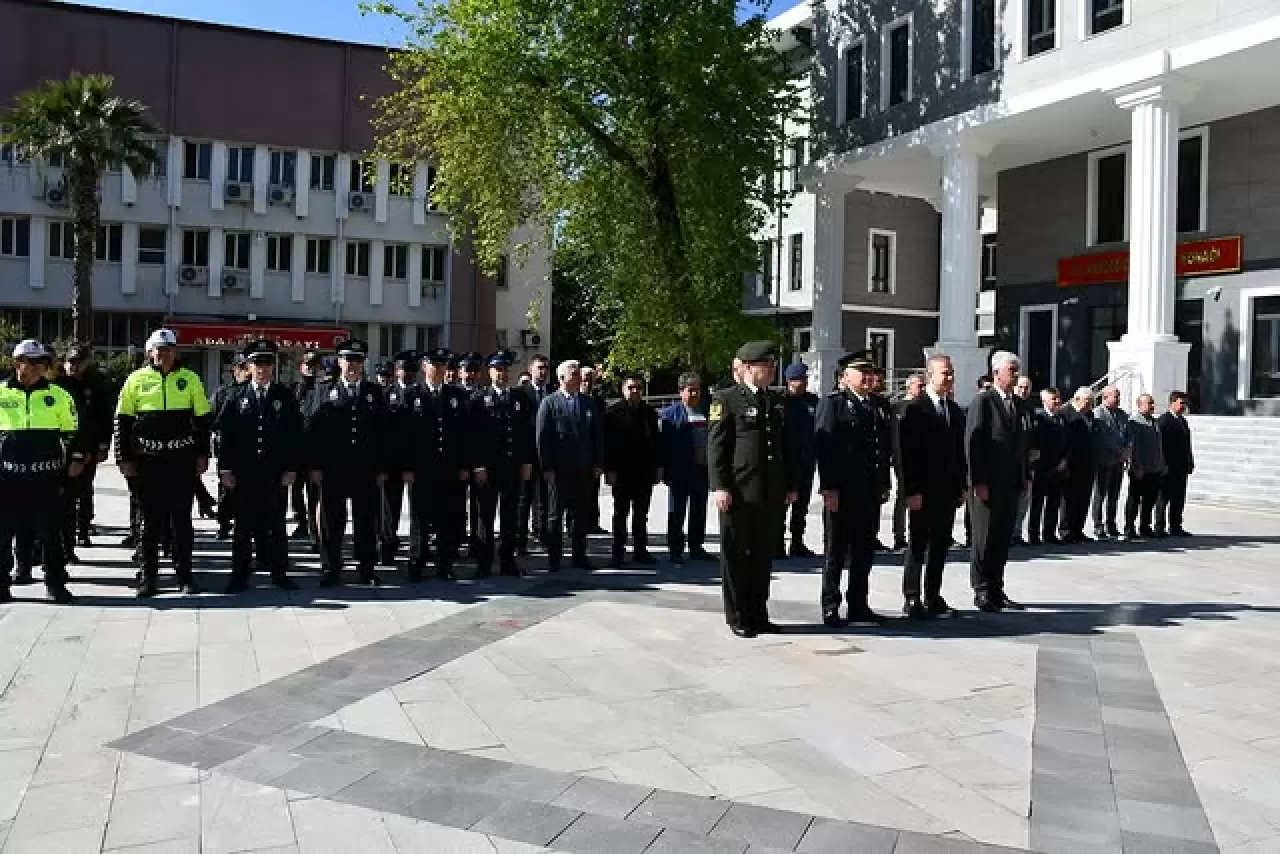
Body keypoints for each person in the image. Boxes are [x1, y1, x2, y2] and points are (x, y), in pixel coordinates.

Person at [115, 329, 212, 597]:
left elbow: (202, 421)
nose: (164, 354)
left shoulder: (190, 378)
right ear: (150, 352)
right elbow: (122, 422)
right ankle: (148, 578)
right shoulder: (136, 380)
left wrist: (203, 454)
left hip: (180, 461)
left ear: (176, 352)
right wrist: (123, 458)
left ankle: (185, 577)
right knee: (148, 522)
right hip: (148, 461)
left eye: (168, 349)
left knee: (182, 522)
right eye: (159, 349)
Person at [710, 341, 796, 637]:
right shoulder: (726, 399)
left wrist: (789, 484)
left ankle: (758, 613)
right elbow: (717, 447)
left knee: (762, 556)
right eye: (766, 365)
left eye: (773, 365)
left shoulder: (775, 400)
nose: (772, 370)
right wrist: (720, 486)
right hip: (739, 491)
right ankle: (737, 615)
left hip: (769, 491)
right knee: (735, 555)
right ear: (748, 368)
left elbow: (783, 446)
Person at [214, 339, 302, 592]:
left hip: (275, 473)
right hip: (245, 474)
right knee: (243, 526)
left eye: (267, 363)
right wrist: (225, 469)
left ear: (273, 367)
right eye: (257, 364)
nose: (263, 369)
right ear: (249, 367)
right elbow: (226, 436)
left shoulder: (284, 396)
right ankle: (239, 575)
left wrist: (292, 468)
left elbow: (294, 435)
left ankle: (279, 573)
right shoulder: (236, 395)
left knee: (276, 525)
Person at [304, 338, 391, 587]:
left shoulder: (374, 392)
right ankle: (331, 568)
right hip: (334, 469)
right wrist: (315, 466)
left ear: (363, 364)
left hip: (365, 469)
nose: (352, 365)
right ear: (339, 362)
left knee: (366, 522)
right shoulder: (324, 390)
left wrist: (382, 468)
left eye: (357, 361)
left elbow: (383, 433)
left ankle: (367, 569)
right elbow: (313, 431)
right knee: (332, 522)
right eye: (348, 360)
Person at [0, 340, 81, 604]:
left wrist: (75, 459)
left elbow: (72, 432)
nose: (36, 367)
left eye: (41, 362)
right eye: (30, 361)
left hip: (46, 477)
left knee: (50, 534)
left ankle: (55, 584)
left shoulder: (59, 395)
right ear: (17, 362)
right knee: (3, 533)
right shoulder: (1, 393)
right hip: (8, 477)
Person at [815, 351, 891, 625]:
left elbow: (882, 449)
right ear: (846, 377)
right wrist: (829, 488)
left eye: (871, 373)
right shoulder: (834, 404)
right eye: (862, 373)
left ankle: (858, 604)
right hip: (843, 490)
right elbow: (825, 449)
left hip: (868, 490)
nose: (868, 378)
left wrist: (884, 483)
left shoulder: (879, 405)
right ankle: (830, 605)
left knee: (864, 550)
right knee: (836, 550)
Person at [897, 355, 966, 619]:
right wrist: (911, 491)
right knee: (918, 545)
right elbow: (907, 455)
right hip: (923, 491)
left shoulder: (953, 410)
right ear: (930, 375)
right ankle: (912, 597)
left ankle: (933, 596)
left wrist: (961, 486)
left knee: (940, 545)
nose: (949, 377)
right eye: (944, 373)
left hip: (946, 490)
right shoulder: (916, 408)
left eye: (951, 372)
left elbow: (958, 453)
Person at [965, 350, 1030, 613]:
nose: (1015, 374)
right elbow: (974, 443)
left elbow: (1022, 444)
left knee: (1002, 537)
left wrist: (1023, 476)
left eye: (1017, 369)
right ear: (996, 373)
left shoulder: (1018, 404)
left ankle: (996, 588)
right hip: (988, 483)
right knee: (984, 538)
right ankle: (981, 589)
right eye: (1011, 370)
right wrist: (978, 481)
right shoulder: (984, 401)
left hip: (1010, 482)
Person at [402, 349, 471, 580]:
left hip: (448, 467)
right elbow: (405, 436)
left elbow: (463, 434)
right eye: (434, 365)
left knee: (446, 517)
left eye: (442, 365)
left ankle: (444, 563)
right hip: (422, 468)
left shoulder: (456, 395)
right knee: (420, 518)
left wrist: (464, 465)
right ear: (424, 367)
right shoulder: (412, 395)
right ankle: (416, 561)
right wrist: (407, 467)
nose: (439, 369)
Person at [469, 351, 534, 577]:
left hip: (512, 467)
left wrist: (527, 461)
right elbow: (473, 437)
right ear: (490, 372)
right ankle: (484, 562)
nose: (502, 374)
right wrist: (478, 466)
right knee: (485, 517)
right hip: (488, 469)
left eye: (505, 370)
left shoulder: (519, 398)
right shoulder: (479, 399)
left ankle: (507, 560)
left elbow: (526, 433)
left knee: (510, 516)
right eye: (498, 370)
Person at [536, 360, 604, 571]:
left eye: (578, 373)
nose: (578, 377)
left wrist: (597, 463)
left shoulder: (588, 403)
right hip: (559, 470)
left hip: (583, 468)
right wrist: (547, 467)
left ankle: (579, 555)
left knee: (580, 514)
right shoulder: (549, 403)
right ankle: (554, 557)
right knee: (555, 515)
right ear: (561, 378)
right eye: (574, 374)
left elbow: (596, 435)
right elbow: (542, 437)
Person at [55, 343, 111, 555]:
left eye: (78, 362)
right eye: (70, 362)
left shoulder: (95, 385)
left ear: (86, 363)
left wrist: (103, 445)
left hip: (88, 447)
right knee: (62, 497)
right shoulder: (57, 385)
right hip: (60, 449)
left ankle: (84, 529)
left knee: (84, 489)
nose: (74, 366)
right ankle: (64, 543)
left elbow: (104, 417)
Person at [603, 373, 661, 568]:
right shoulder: (612, 413)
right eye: (630, 387)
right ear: (623, 390)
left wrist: (657, 467)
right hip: (621, 471)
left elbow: (655, 442)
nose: (634, 391)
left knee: (641, 514)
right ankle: (617, 552)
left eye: (638, 388)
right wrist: (609, 470)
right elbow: (607, 445)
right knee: (620, 513)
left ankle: (640, 550)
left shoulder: (649, 412)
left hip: (644, 471)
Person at [659, 373, 712, 566]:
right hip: (679, 471)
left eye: (698, 390)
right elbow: (663, 446)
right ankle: (675, 549)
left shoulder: (707, 411)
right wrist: (664, 470)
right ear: (681, 391)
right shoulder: (669, 414)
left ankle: (696, 546)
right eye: (691, 390)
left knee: (699, 510)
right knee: (677, 511)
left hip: (702, 470)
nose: (695, 394)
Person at [379, 350, 418, 566]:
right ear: (396, 371)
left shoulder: (421, 394)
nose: (408, 373)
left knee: (417, 510)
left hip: (415, 462)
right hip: (392, 462)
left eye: (412, 370)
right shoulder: (386, 394)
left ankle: (417, 551)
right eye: (404, 369)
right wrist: (382, 466)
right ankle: (387, 547)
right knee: (389, 509)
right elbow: (381, 433)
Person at [778, 363, 818, 559]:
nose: (801, 383)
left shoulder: (812, 401)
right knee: (781, 505)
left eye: (803, 379)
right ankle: (777, 543)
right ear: (788, 381)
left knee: (802, 505)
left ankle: (797, 542)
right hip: (786, 462)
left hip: (806, 460)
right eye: (797, 380)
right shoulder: (781, 402)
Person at [516, 354, 555, 555]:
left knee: (545, 499)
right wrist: (523, 457)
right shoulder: (520, 393)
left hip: (546, 455)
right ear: (530, 369)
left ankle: (543, 536)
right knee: (524, 499)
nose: (543, 372)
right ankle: (520, 541)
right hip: (527, 455)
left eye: (546, 368)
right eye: (539, 368)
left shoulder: (552, 393)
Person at [211, 356, 250, 540]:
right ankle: (224, 523)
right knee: (226, 489)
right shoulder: (223, 392)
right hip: (227, 448)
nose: (246, 372)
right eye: (242, 368)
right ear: (234, 371)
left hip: (249, 450)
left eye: (247, 368)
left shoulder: (254, 392)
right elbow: (212, 419)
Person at [1029, 388, 1068, 545]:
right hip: (1042, 466)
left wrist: (1064, 459)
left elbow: (1067, 442)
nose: (1057, 401)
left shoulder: (1061, 419)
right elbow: (1035, 442)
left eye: (1058, 398)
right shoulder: (1039, 418)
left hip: (1058, 467)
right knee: (1038, 502)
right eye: (1053, 399)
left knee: (1054, 501)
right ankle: (1034, 534)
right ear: (1044, 401)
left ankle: (1049, 533)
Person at [890, 373, 924, 552]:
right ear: (909, 387)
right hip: (902, 459)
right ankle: (899, 536)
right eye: (919, 385)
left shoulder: (924, 406)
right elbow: (895, 436)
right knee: (903, 497)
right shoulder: (898, 407)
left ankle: (918, 535)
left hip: (921, 459)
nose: (922, 389)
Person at [1124, 393, 1165, 540]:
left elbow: (1159, 445)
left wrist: (1161, 464)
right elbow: (1133, 447)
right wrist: (1136, 465)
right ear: (1140, 405)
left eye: (1153, 403)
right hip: (1140, 469)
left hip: (1154, 468)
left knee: (1150, 499)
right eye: (1149, 403)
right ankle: (1129, 528)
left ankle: (1145, 526)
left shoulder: (1155, 422)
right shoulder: (1134, 422)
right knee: (1134, 499)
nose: (1152, 406)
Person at [1059, 388, 1097, 544]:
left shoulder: (1090, 414)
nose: (1090, 405)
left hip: (1088, 462)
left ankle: (1078, 529)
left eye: (1091, 402)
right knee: (1069, 498)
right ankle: (1066, 530)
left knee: (1084, 497)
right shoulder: (1065, 413)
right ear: (1077, 399)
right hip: (1072, 462)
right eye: (1087, 402)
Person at [1091, 386, 1129, 540]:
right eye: (1115, 396)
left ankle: (1111, 524)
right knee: (1101, 494)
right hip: (1104, 460)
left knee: (1114, 494)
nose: (1118, 399)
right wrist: (1120, 451)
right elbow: (1104, 438)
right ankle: (1098, 525)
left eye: (1119, 396)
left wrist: (1128, 449)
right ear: (1105, 397)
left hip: (1119, 461)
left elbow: (1128, 434)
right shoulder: (1098, 414)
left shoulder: (1122, 414)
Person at [290, 351, 321, 542]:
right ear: (300, 367)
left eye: (313, 365)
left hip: (314, 449)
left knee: (313, 493)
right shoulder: (293, 389)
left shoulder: (322, 389)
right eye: (307, 364)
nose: (310, 368)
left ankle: (314, 529)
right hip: (296, 449)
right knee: (296, 491)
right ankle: (301, 523)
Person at [1155, 391, 1194, 538]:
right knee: (1164, 497)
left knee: (1179, 497)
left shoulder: (1183, 421)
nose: (1184, 406)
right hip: (1168, 466)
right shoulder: (1163, 421)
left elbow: (1187, 444)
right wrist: (1162, 464)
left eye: (1185, 403)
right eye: (1181, 403)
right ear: (1172, 403)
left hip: (1181, 466)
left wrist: (1190, 461)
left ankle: (1175, 525)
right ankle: (1159, 526)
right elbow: (1161, 446)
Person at [1011, 374, 1035, 545]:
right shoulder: (1009, 406)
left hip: (1027, 463)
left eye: (1027, 388)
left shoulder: (1029, 409)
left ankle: (1017, 532)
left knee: (1024, 500)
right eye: (1020, 387)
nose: (1023, 391)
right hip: (1012, 462)